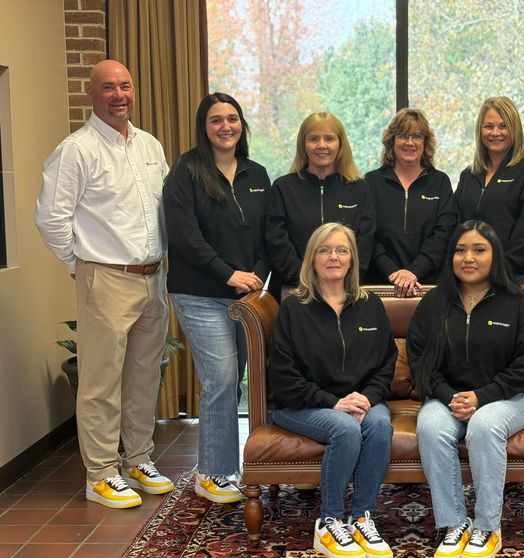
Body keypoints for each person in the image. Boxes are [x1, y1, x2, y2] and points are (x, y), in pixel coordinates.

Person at [35, 60, 173, 509]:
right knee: (100, 382)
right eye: (108, 87)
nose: (119, 95)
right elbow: (51, 219)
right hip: (106, 276)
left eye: (125, 86)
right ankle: (100, 474)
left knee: (144, 376)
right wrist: (78, 264)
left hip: (152, 277)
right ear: (90, 94)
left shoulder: (149, 145)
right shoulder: (76, 150)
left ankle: (138, 459)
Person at [407, 220, 524, 558]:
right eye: (460, 250)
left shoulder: (519, 303)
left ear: (495, 256)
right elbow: (420, 360)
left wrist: (482, 397)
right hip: (447, 397)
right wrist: (448, 395)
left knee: (484, 425)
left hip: (510, 399)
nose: (468, 258)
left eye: (479, 250)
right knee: (431, 427)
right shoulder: (434, 302)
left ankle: (487, 528)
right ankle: (454, 523)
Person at [163, 93, 271, 504]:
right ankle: (213, 472)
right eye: (216, 120)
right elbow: (185, 237)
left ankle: (226, 466)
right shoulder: (187, 171)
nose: (225, 126)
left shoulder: (257, 173)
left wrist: (256, 276)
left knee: (234, 379)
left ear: (242, 123)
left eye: (232, 118)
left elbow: (269, 233)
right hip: (200, 294)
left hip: (246, 298)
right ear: (203, 126)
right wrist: (228, 274)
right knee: (222, 379)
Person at [268, 222, 397, 558]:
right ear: (312, 258)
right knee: (345, 427)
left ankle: (363, 519)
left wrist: (367, 397)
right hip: (301, 403)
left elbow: (387, 361)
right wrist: (333, 402)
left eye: (341, 250)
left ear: (352, 258)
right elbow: (283, 376)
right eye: (324, 250)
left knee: (379, 424)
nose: (333, 257)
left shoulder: (370, 304)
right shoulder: (294, 308)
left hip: (360, 399)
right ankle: (330, 522)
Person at [266, 112, 375, 294]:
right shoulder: (283, 187)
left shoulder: (359, 188)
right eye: (314, 139)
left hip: (345, 291)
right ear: (303, 144)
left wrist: (342, 280)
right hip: (294, 290)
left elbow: (365, 242)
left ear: (340, 144)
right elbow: (276, 241)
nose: (322, 145)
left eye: (329, 139)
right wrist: (307, 280)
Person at [365, 108, 458, 295]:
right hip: (380, 284)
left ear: (425, 142)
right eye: (403, 136)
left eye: (417, 136)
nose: (409, 142)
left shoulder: (440, 182)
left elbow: (444, 233)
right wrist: (392, 273)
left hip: (429, 285)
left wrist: (414, 271)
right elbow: (367, 234)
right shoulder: (371, 182)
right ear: (392, 141)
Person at [454, 96, 524, 282]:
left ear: (515, 129)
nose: (495, 133)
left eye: (503, 126)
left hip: (518, 276)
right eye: (489, 126)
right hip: (473, 276)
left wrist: (498, 270)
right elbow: (457, 226)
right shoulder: (468, 175)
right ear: (480, 130)